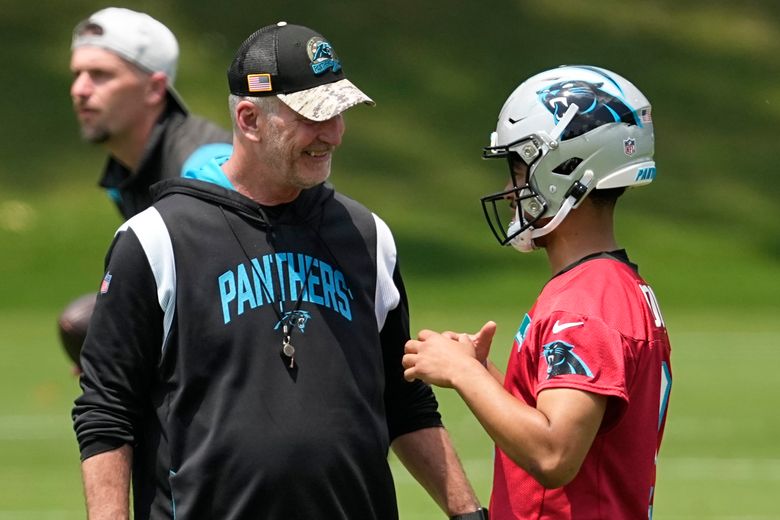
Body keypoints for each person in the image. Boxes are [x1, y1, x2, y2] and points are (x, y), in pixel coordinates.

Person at [72, 22, 487, 520]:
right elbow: (106, 412)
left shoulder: (366, 236)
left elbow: (406, 402)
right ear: (249, 118)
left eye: (338, 114)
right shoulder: (156, 239)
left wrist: (468, 513)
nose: (332, 135)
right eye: (312, 117)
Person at [402, 65, 672, 519]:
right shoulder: (609, 287)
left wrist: (462, 377)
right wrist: (485, 374)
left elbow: (553, 454)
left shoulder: (586, 304)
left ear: (565, 167)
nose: (510, 191)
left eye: (518, 169)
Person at [59, 7, 233, 370]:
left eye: (100, 75)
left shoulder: (206, 170)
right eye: (78, 73)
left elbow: (248, 292)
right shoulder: (125, 177)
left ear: (155, 88)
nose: (79, 89)